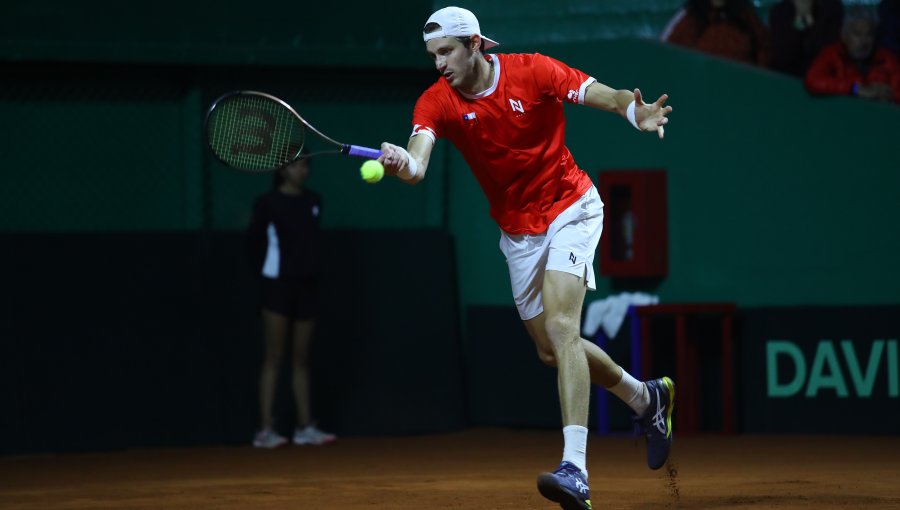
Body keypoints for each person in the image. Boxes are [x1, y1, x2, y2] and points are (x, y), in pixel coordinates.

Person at [377, 7, 674, 510]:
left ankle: (575, 469)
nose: (439, 64)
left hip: (571, 208)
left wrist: (634, 111)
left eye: (446, 52)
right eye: (433, 56)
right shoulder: (437, 102)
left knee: (563, 327)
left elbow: (604, 95)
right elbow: (418, 162)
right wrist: (403, 163)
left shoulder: (533, 70)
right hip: (518, 233)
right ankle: (647, 398)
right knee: (552, 350)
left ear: (474, 44)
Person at [246, 154, 336, 448]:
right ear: (283, 170)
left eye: (306, 164)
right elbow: (254, 244)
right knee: (274, 357)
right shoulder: (267, 204)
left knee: (301, 360)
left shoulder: (315, 201)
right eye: (297, 164)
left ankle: (304, 428)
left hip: (308, 286)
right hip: (277, 288)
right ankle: (265, 430)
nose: (303, 169)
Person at [805, 7, 900, 103]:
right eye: (857, 34)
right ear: (844, 35)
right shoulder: (832, 54)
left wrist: (887, 94)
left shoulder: (887, 59)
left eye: (869, 34)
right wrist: (855, 89)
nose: (864, 42)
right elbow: (813, 80)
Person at [661, 0, 771, 67]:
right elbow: (666, 54)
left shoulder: (747, 17)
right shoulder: (689, 17)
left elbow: (765, 53)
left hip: (742, 90)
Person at [769, 0, 844, 76]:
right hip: (787, 77)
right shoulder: (779, 12)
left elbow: (825, 53)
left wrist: (808, 18)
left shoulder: (832, 8)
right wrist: (799, 18)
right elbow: (784, 58)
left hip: (820, 76)